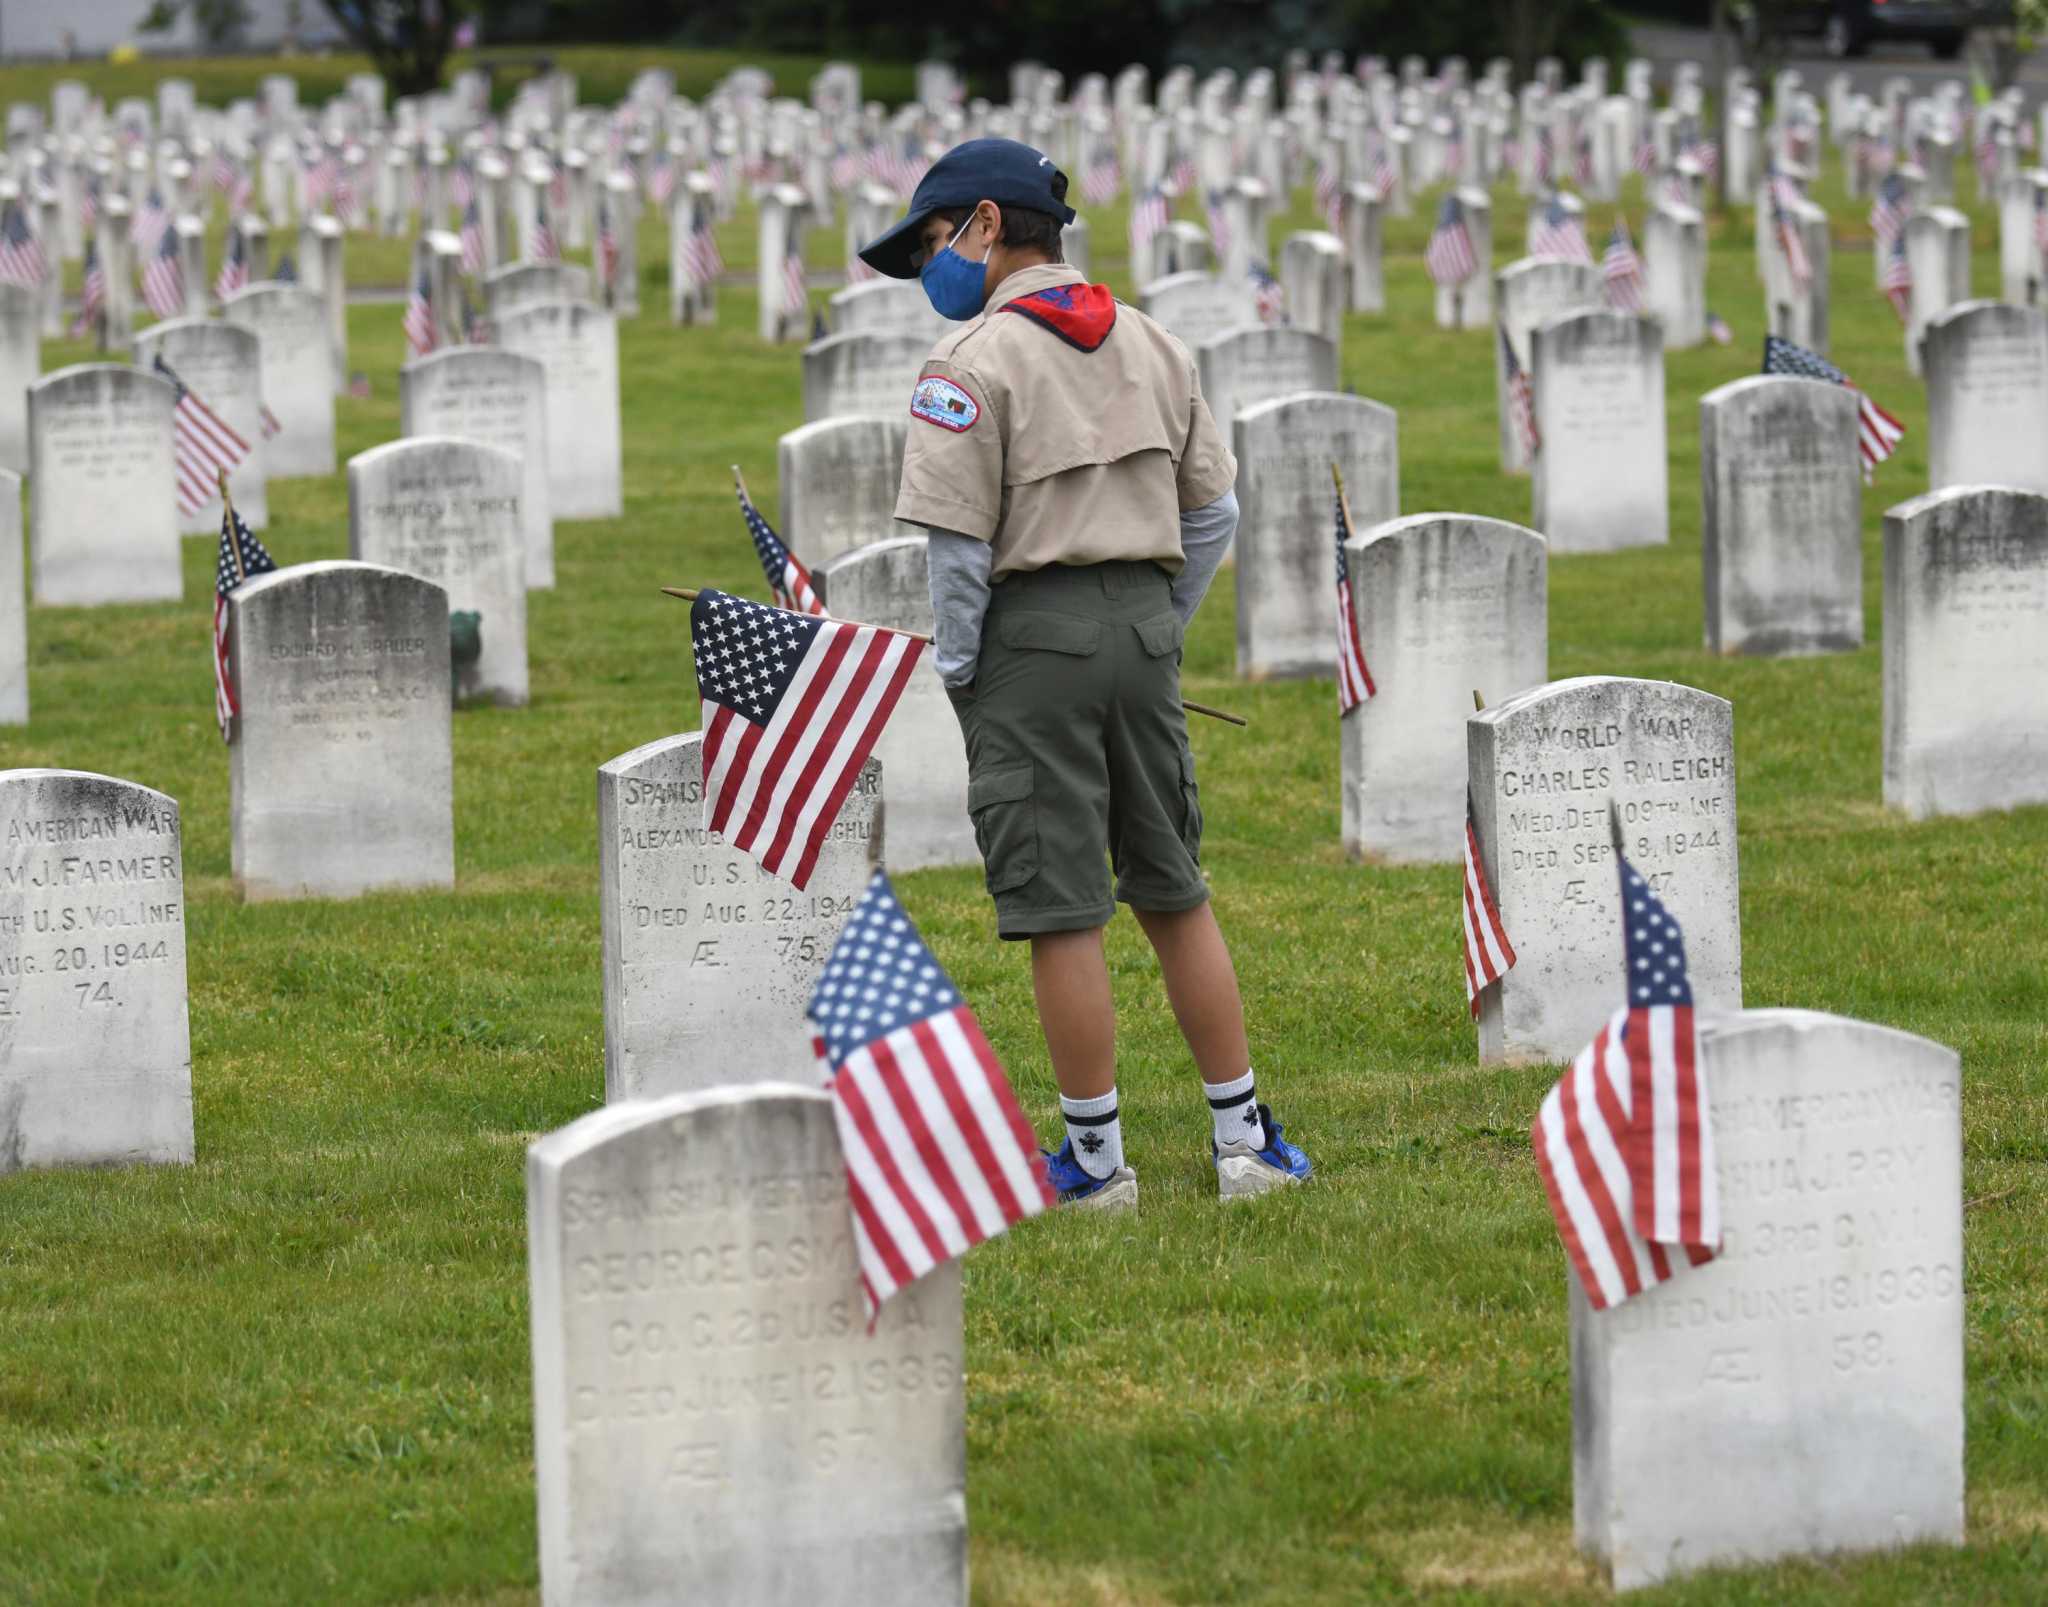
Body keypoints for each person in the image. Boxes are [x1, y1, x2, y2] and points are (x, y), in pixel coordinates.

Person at [857, 138, 1311, 1210]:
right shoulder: (1154, 341)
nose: (931, 266)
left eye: (931, 241)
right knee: (1171, 884)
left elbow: (959, 557)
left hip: (1029, 642)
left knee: (1060, 906)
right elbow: (1214, 510)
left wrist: (965, 675)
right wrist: (1156, 618)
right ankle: (1243, 1142)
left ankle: (1095, 1163)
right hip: (1144, 627)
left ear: (980, 225)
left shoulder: (970, 367)